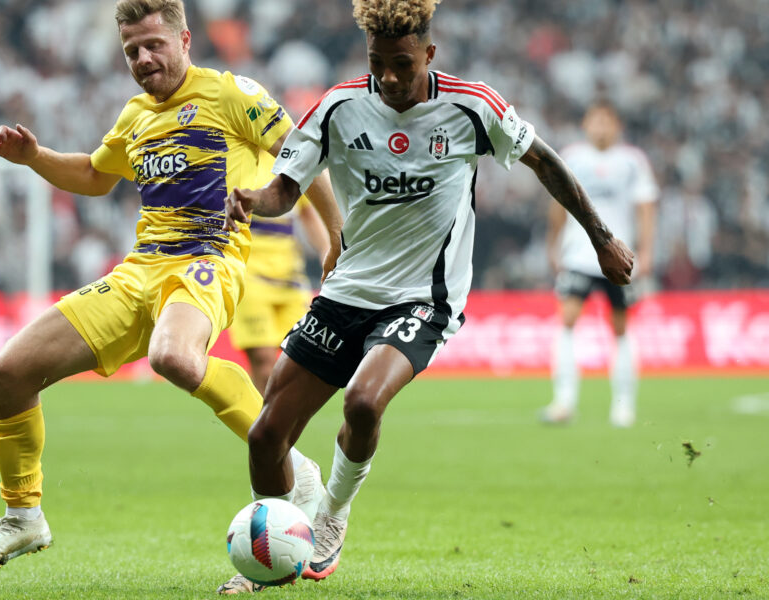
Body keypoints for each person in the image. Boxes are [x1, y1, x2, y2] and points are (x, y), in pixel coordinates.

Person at [219, 0, 634, 589]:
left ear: (429, 54)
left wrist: (602, 238)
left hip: (424, 297)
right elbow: (286, 189)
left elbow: (546, 162)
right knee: (265, 437)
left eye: (403, 65)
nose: (388, 78)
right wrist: (252, 200)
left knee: (363, 402)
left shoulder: (472, 107)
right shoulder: (338, 107)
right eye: (378, 63)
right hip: (346, 291)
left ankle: (332, 512)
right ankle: (271, 562)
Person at [0, 0, 342, 574]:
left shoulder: (231, 94)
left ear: (184, 40)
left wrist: (335, 236)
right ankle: (23, 517)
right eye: (132, 50)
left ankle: (296, 465)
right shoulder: (135, 115)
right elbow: (94, 175)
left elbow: (302, 154)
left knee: (173, 357)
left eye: (154, 45)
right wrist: (34, 156)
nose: (142, 59)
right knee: (7, 372)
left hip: (209, 260)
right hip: (139, 272)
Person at [541, 101, 658, 428]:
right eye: (596, 121)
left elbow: (646, 208)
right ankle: (564, 402)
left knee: (620, 327)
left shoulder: (633, 161)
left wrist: (646, 252)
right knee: (567, 320)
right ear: (585, 125)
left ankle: (623, 406)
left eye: (607, 122)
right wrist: (553, 245)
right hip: (578, 255)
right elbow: (557, 204)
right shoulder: (572, 157)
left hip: (620, 258)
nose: (601, 127)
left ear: (618, 126)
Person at [228, 155, 331, 394]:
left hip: (291, 278)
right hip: (249, 277)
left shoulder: (290, 159)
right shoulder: (237, 157)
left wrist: (328, 251)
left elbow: (308, 215)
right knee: (264, 362)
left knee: (300, 360)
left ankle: (277, 417)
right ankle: (262, 417)